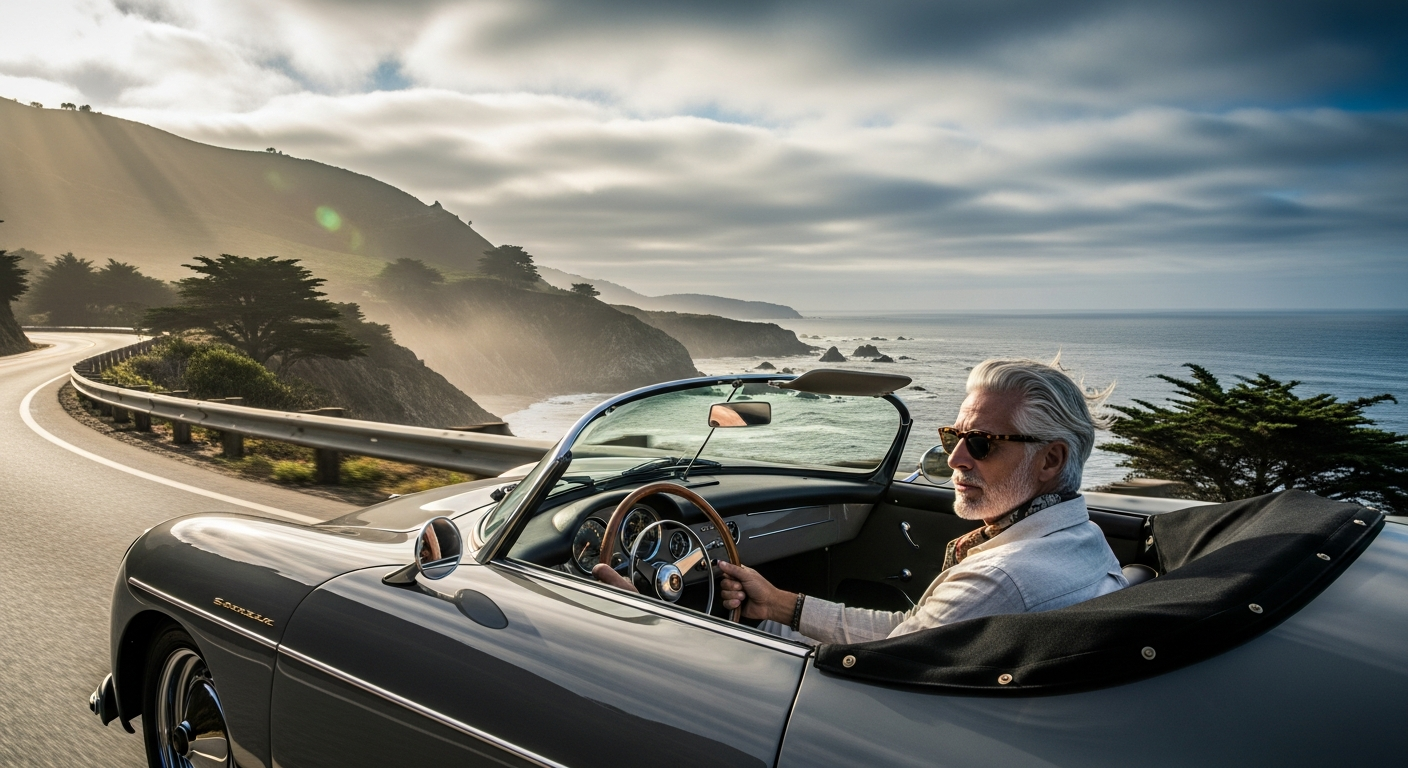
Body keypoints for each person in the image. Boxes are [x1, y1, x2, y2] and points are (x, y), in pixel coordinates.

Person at [595, 357, 1129, 645]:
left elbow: (873, 666)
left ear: (1051, 460)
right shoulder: (1080, 541)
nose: (957, 458)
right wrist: (779, 605)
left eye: (983, 443)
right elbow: (912, 634)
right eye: (953, 436)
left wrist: (650, 612)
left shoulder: (1002, 578)